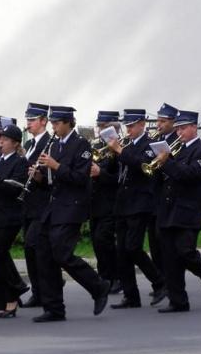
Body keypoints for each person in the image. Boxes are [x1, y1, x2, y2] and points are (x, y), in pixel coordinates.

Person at [33, 106, 110, 322]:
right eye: (53, 124)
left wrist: (56, 166)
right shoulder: (55, 145)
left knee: (62, 254)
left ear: (68, 122)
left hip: (72, 207)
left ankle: (98, 286)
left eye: (57, 123)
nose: (54, 128)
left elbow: (80, 178)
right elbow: (53, 182)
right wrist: (40, 178)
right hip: (54, 206)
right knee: (44, 253)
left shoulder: (81, 145)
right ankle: (54, 308)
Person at [153, 110, 201, 312]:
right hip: (168, 209)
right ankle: (178, 300)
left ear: (194, 127)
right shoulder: (176, 151)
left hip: (188, 210)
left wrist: (167, 162)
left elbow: (189, 175)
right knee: (170, 258)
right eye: (178, 128)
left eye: (183, 128)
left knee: (185, 252)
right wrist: (158, 166)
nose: (180, 132)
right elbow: (163, 179)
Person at [108, 109, 165, 309]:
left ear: (142, 124)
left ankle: (159, 282)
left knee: (133, 247)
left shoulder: (149, 145)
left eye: (132, 125)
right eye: (127, 126)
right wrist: (113, 155)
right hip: (123, 202)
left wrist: (120, 151)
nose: (128, 129)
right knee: (122, 251)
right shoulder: (127, 144)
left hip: (140, 203)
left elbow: (144, 166)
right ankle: (131, 295)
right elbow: (117, 171)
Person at [0, 124, 29, 318]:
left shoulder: (20, 162)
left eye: (6, 139)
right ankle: (9, 301)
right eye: (0, 138)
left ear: (15, 143)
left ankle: (17, 285)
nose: (0, 142)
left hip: (9, 216)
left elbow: (14, 189)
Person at [19, 102, 52, 308]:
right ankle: (38, 292)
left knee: (34, 245)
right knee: (30, 249)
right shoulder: (29, 145)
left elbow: (50, 175)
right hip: (28, 204)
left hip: (43, 204)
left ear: (44, 121)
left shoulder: (48, 143)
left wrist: (38, 176)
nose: (28, 123)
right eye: (28, 120)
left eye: (32, 120)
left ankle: (46, 289)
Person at [89, 111, 120, 294]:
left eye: (104, 126)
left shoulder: (119, 148)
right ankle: (104, 277)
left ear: (115, 127)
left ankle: (116, 276)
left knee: (104, 239)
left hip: (111, 202)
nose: (101, 130)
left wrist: (101, 174)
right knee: (96, 241)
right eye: (99, 126)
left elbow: (119, 178)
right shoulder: (98, 147)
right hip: (96, 202)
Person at [148, 103, 179, 280]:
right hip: (154, 196)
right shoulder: (156, 139)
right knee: (154, 242)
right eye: (158, 120)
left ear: (173, 123)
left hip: (169, 195)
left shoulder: (177, 140)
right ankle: (161, 278)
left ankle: (169, 278)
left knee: (163, 240)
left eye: (163, 121)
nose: (158, 124)